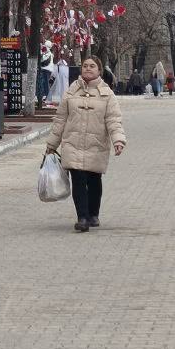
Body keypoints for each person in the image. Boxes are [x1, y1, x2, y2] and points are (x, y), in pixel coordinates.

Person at [46, 56, 126, 233]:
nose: (88, 68)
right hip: (73, 143)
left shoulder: (107, 94)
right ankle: (82, 217)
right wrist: (52, 143)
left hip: (96, 144)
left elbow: (113, 120)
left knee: (94, 180)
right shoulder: (71, 91)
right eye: (85, 66)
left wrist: (118, 140)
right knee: (78, 179)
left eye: (92, 66)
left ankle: (93, 214)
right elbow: (60, 120)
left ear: (99, 71)